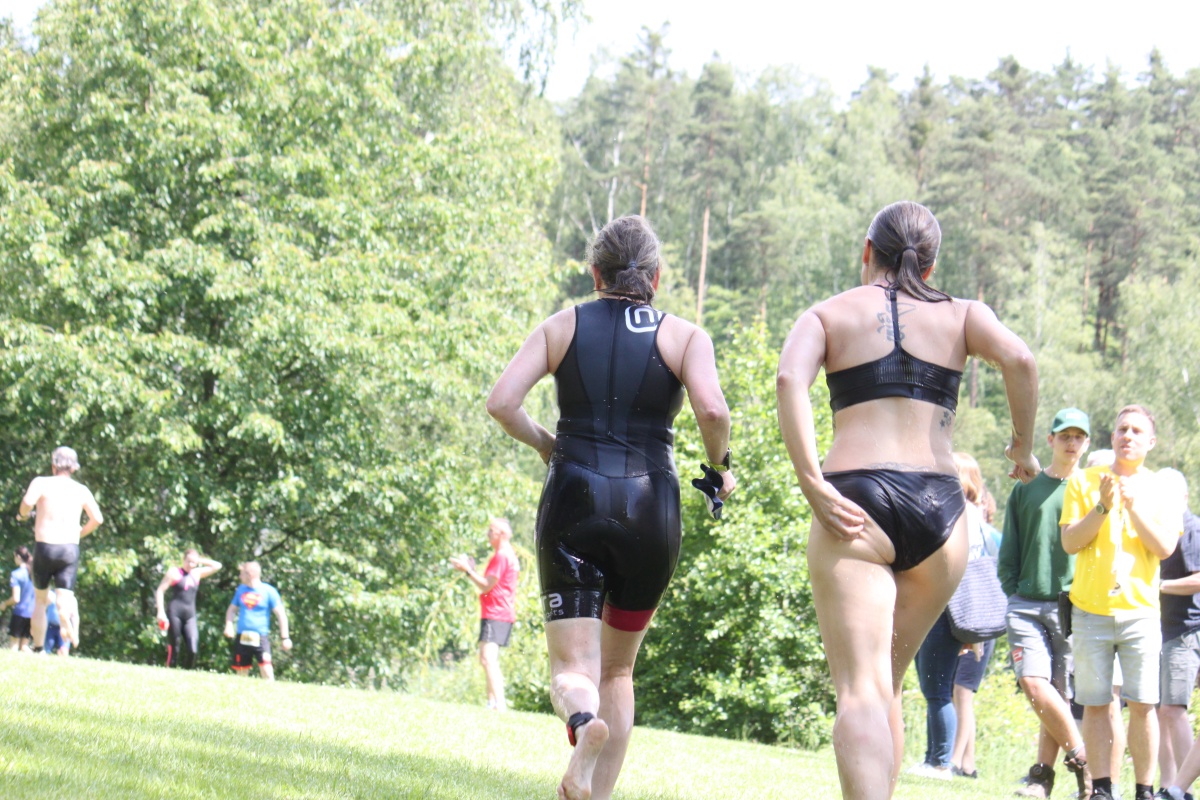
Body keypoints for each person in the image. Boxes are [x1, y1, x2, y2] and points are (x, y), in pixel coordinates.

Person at [776, 200, 1039, 800]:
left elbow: (790, 379)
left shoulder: (828, 313)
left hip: (855, 501)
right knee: (887, 684)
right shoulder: (965, 314)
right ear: (931, 262)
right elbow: (1020, 359)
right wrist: (1021, 447)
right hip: (942, 510)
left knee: (861, 693)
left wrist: (812, 482)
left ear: (867, 252)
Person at [487, 214, 735, 800]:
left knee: (573, 669)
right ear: (656, 276)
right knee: (618, 670)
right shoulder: (686, 337)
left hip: (573, 498)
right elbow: (713, 411)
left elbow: (502, 403)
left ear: (595, 274)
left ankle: (581, 720)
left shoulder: (562, 326)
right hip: (651, 510)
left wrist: (546, 443)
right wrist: (720, 467)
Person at [1061, 405, 1184, 800]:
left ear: (1151, 442)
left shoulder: (1161, 489)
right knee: (1095, 704)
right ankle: (1102, 789)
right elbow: (1070, 542)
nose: (1127, 436)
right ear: (1112, 436)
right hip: (1090, 611)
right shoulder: (1084, 481)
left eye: (1136, 431)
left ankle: (1144, 790)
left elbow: (1164, 548)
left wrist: (1133, 507)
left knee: (1144, 704)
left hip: (1140, 612)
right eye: (1121, 429)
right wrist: (1102, 506)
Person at [999, 407, 1092, 800]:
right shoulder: (1025, 490)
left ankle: (1042, 778)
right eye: (1064, 436)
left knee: (1057, 695)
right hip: (1026, 603)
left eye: (1078, 437)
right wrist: (1013, 590)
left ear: (1087, 444)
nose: (1071, 443)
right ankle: (1085, 761)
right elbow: (1009, 550)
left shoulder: (1091, 490)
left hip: (1073, 605)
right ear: (1050, 440)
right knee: (1034, 684)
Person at [18, 446, 103, 651]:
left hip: (45, 546)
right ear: (73, 468)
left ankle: (39, 648)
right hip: (69, 548)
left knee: (40, 601)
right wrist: (80, 533)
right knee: (64, 597)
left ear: (53, 465)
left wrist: (23, 514)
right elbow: (98, 519)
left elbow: (27, 503)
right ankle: (64, 614)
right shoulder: (81, 490)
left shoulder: (41, 483)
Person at [949, 456, 1003, 781]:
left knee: (963, 690)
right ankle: (968, 763)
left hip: (977, 617)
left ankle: (954, 759)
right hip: (965, 616)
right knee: (960, 691)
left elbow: (1003, 571)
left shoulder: (987, 535)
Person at [1155, 470, 1200, 795]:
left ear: (1183, 497)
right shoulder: (1163, 531)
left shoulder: (1191, 529)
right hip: (1169, 631)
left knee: (1172, 708)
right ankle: (1172, 786)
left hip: (1187, 631)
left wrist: (1158, 586)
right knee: (1164, 710)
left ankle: (1183, 791)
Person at [449, 518, 520, 710]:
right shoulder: (507, 555)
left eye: (491, 531)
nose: (488, 534)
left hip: (497, 612)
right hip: (498, 611)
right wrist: (470, 570)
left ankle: (500, 704)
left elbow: (486, 586)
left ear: (501, 535)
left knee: (488, 658)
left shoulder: (502, 556)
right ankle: (491, 702)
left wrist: (467, 571)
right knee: (485, 657)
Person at [154, 549, 222, 669]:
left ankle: (187, 673)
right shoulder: (174, 572)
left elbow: (217, 566)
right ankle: (170, 671)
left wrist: (199, 560)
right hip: (175, 613)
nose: (190, 565)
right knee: (175, 648)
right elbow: (160, 590)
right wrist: (160, 612)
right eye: (188, 561)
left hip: (190, 615)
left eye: (193, 562)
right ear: (183, 560)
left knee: (193, 650)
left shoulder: (197, 573)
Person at [223, 561, 291, 680]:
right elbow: (231, 610)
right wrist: (229, 626)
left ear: (250, 575)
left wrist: (285, 638)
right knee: (241, 671)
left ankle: (270, 690)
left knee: (266, 667)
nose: (239, 577)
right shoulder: (241, 590)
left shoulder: (269, 591)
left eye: (242, 574)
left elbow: (281, 615)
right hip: (242, 636)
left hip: (260, 637)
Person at [2, 545, 35, 651]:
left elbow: (16, 598)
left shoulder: (16, 574)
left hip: (20, 613)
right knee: (24, 646)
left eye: (14, 557)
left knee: (14, 645)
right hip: (33, 613)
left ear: (18, 557)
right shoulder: (34, 574)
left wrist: (4, 603)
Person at [43, 589, 69, 656]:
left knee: (64, 650)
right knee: (47, 649)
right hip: (51, 626)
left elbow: (75, 616)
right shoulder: (51, 594)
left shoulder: (70, 598)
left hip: (64, 627)